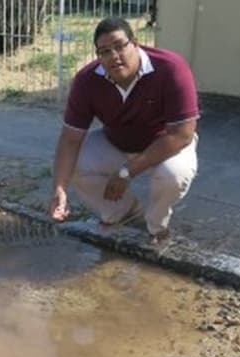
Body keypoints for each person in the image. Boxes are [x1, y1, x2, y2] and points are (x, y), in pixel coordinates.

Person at [48, 16, 199, 246]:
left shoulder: (170, 68)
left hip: (164, 146)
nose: (114, 56)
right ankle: (123, 212)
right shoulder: (87, 80)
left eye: (120, 46)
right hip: (116, 142)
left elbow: (182, 134)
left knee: (172, 175)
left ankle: (157, 226)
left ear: (135, 43)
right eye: (105, 51)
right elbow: (70, 139)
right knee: (76, 165)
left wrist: (126, 172)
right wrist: (59, 189)